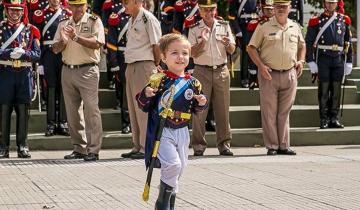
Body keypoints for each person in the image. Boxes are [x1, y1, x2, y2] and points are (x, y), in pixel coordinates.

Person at [136, 33, 207, 210]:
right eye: (174, 53)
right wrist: (146, 94)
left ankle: (169, 202)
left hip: (182, 131)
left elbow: (195, 110)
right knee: (173, 165)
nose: (180, 57)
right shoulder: (159, 80)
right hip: (164, 130)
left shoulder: (194, 83)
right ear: (164, 57)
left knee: (180, 168)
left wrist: (201, 103)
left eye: (184, 53)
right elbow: (143, 104)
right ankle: (162, 204)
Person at [247, 0, 305, 156]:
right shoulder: (264, 27)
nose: (281, 9)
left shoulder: (295, 26)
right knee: (269, 112)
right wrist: (260, 66)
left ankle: (284, 145)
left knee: (284, 112)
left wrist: (301, 60)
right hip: (269, 74)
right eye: (278, 6)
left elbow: (302, 45)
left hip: (289, 74)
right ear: (273, 8)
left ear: (290, 8)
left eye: (284, 6)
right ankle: (272, 145)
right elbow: (251, 47)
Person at [52, 0, 105, 161]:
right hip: (68, 69)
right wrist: (63, 40)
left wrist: (75, 37)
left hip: (88, 69)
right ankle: (79, 148)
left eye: (80, 5)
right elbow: (55, 49)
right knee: (72, 112)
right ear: (69, 7)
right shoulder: (63, 23)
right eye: (74, 6)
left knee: (91, 110)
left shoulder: (94, 21)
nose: (77, 9)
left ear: (86, 5)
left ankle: (93, 149)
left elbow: (97, 44)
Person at [189, 0, 236, 156]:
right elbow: (192, 53)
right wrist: (202, 41)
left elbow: (232, 49)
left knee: (223, 109)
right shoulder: (195, 28)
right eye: (205, 10)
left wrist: (229, 44)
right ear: (200, 11)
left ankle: (224, 145)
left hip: (221, 70)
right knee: (199, 111)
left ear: (215, 10)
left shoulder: (224, 26)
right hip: (201, 71)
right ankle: (198, 146)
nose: (208, 14)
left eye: (211, 10)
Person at [120, 0, 161, 159]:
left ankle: (147, 147)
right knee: (133, 107)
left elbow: (156, 45)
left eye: (126, 2)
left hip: (144, 65)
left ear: (137, 2)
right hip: (131, 66)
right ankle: (137, 145)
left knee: (144, 109)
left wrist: (156, 65)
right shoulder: (132, 19)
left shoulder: (148, 18)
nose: (124, 4)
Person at [0, 0, 41, 158]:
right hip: (5, 73)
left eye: (18, 10)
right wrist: (8, 52)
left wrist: (24, 54)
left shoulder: (31, 30)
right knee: (4, 110)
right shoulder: (1, 28)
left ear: (23, 11)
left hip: (24, 73)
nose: (15, 13)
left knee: (23, 111)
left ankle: (22, 146)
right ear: (6, 11)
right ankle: (3, 147)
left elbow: (37, 54)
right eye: (12, 10)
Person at [305, 0, 352, 129]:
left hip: (338, 59)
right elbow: (309, 42)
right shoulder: (317, 21)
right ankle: (324, 119)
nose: (330, 5)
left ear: (337, 4)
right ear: (324, 4)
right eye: (328, 2)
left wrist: (349, 61)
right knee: (324, 90)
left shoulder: (343, 20)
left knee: (336, 90)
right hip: (324, 59)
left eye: (333, 3)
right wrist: (310, 61)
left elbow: (348, 42)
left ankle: (334, 118)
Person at [32, 0, 72, 137]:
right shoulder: (40, 14)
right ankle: (50, 124)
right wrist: (39, 61)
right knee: (51, 88)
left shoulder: (67, 13)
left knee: (63, 88)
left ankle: (63, 122)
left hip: (64, 53)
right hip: (48, 54)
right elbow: (36, 38)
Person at [106, 0, 132, 134]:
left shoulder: (142, 17)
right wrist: (114, 63)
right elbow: (111, 43)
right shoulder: (116, 18)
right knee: (125, 92)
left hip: (137, 58)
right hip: (122, 58)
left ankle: (136, 122)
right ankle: (126, 122)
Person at [228, 0, 258, 88]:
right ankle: (244, 78)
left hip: (256, 27)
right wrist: (237, 30)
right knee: (245, 53)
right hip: (243, 28)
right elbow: (231, 15)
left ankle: (254, 78)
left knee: (256, 52)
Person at [246, 0, 274, 90]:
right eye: (267, 9)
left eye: (271, 9)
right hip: (258, 55)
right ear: (262, 9)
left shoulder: (281, 24)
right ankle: (253, 79)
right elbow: (250, 45)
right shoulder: (255, 24)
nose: (269, 11)